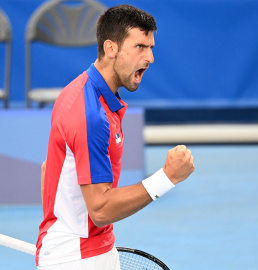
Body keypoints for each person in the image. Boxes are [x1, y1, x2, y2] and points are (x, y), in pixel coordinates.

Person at [36, 4, 195, 270]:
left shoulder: (87, 94)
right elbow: (99, 210)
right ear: (111, 48)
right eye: (140, 47)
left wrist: (59, 227)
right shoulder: (90, 114)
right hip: (77, 258)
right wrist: (166, 178)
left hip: (87, 249)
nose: (150, 58)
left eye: (151, 47)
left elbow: (48, 169)